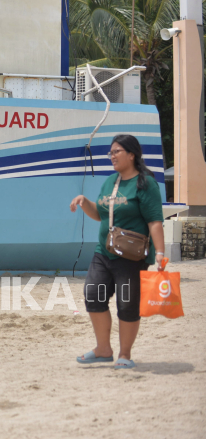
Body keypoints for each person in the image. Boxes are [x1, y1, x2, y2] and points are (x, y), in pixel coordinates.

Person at [70, 134, 166, 370]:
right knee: (94, 295)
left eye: (117, 151)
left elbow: (154, 221)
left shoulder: (146, 184)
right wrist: (85, 202)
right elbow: (100, 215)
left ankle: (125, 354)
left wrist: (161, 253)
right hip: (104, 252)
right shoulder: (109, 182)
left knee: (127, 303)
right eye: (110, 152)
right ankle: (103, 350)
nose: (112, 156)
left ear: (131, 155)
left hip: (131, 257)